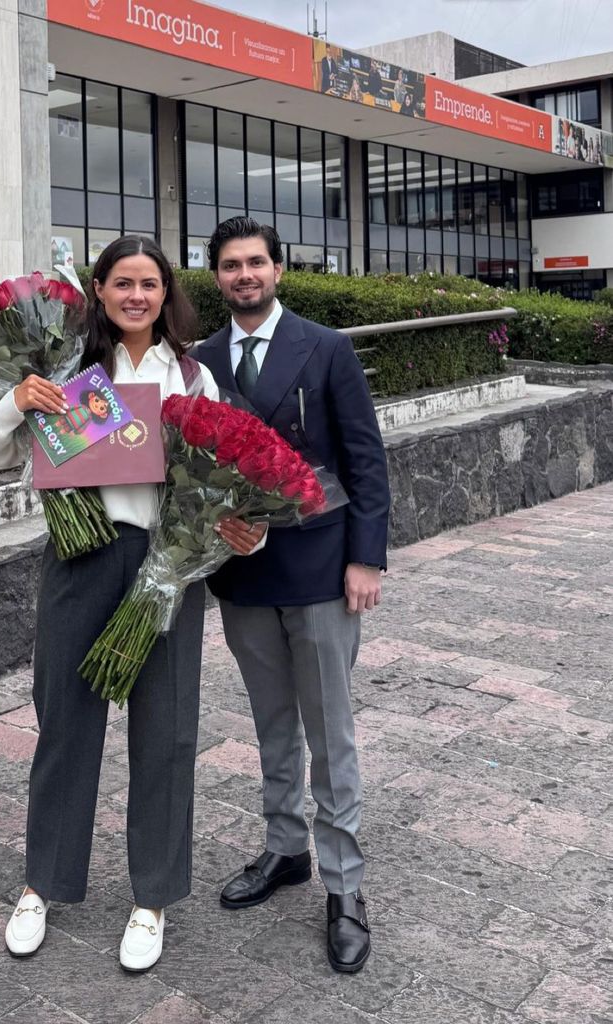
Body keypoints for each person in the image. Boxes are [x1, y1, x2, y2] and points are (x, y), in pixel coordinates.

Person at [0, 235, 261, 973]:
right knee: (64, 725)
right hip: (79, 558)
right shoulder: (66, 370)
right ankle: (43, 885)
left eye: (150, 284)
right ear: (97, 290)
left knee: (165, 733)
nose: (136, 296)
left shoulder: (191, 376)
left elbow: (223, 478)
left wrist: (240, 530)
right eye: (122, 283)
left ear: (167, 295)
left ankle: (151, 898)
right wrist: (13, 400)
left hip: (167, 563)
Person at [195, 217, 390, 974]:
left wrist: (365, 560)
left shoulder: (327, 348)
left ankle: (345, 887)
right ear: (214, 277)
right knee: (271, 725)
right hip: (241, 575)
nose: (244, 275)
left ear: (279, 270)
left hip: (318, 570)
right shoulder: (202, 361)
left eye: (255, 263)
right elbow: (192, 465)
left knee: (328, 733)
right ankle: (284, 851)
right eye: (230, 266)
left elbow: (365, 461)